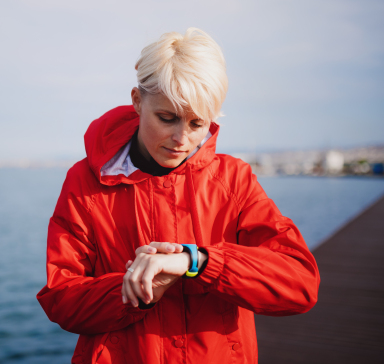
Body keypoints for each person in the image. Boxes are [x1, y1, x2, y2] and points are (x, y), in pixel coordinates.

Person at [37, 28, 319, 364]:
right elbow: (62, 299)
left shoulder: (233, 180)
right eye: (167, 118)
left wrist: (198, 262)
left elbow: (300, 283)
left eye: (197, 123)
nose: (181, 139)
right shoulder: (86, 182)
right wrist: (135, 292)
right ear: (138, 101)